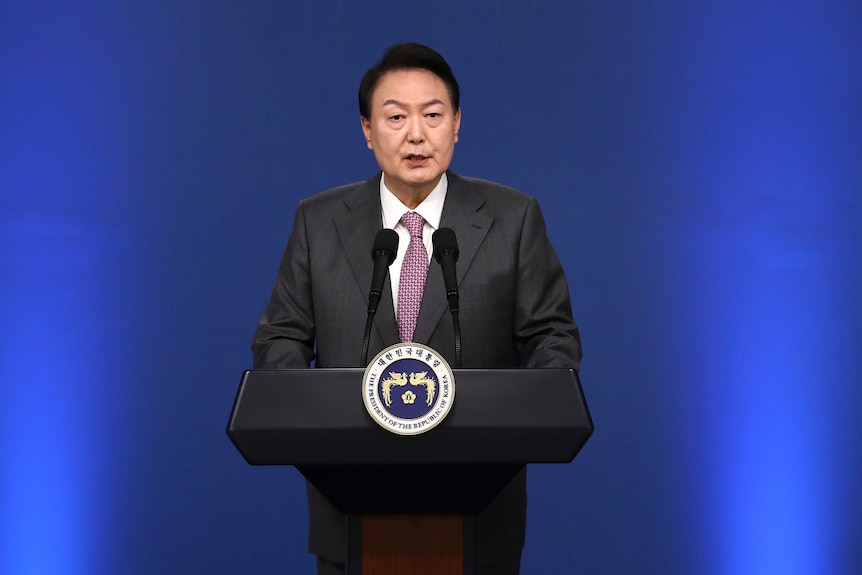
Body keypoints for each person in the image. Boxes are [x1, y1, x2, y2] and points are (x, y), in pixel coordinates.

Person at [252, 42, 581, 575]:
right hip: (349, 505)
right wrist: (319, 419)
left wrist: (513, 418)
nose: (415, 134)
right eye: (396, 117)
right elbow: (280, 339)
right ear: (367, 130)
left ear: (456, 125)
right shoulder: (319, 221)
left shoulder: (513, 217)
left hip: (481, 506)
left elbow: (553, 339)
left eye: (432, 115)